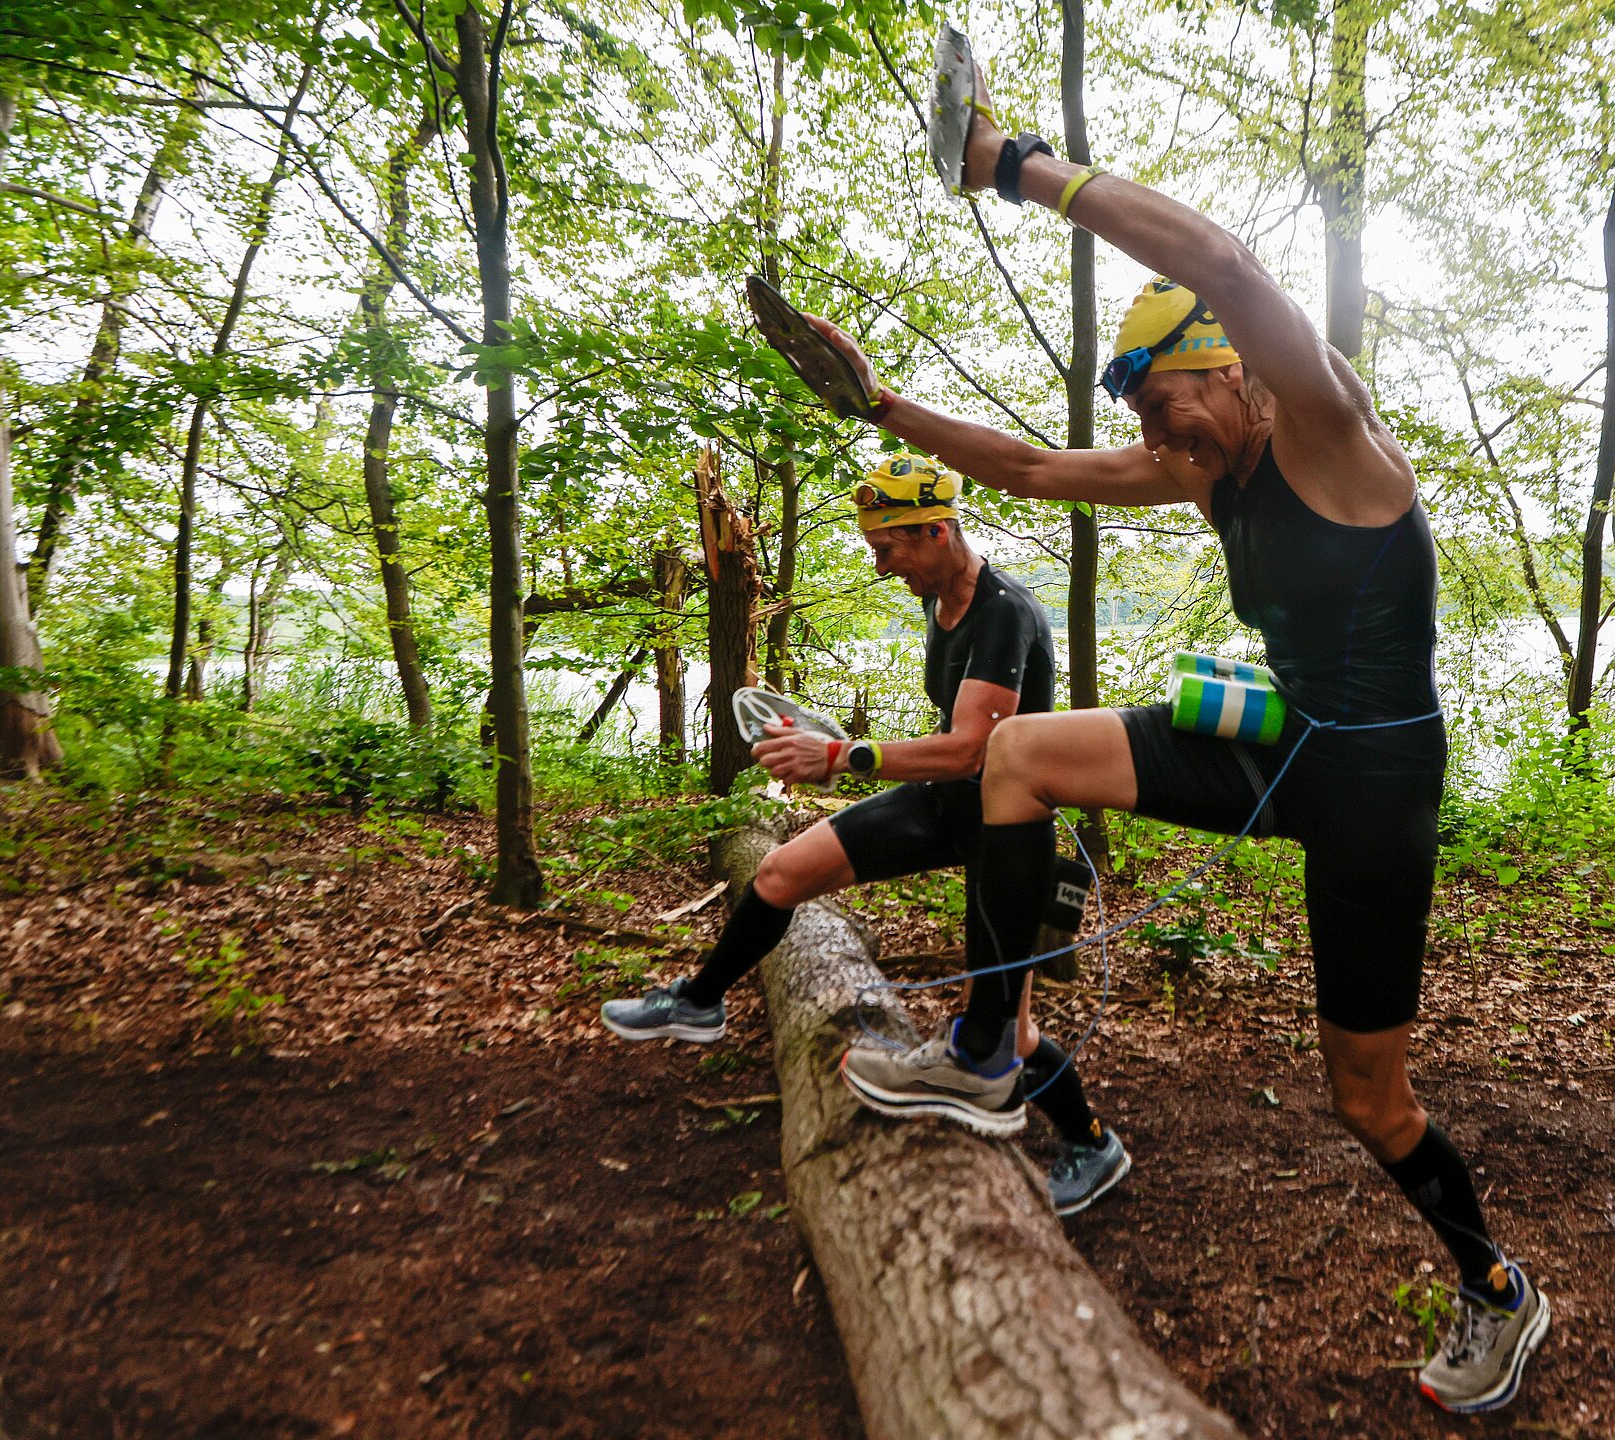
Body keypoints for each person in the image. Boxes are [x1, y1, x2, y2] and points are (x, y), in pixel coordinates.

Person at [807, 65, 1549, 1416]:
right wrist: (883, 415)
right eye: (1146, 422)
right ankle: (985, 1050)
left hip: (1378, 781)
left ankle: (1496, 1289)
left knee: (1367, 1099)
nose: (1160, 441)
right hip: (1281, 745)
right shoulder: (1208, 467)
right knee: (1017, 756)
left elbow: (1217, 254)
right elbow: (1033, 473)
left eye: (1170, 407)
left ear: (1235, 371)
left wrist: (1011, 162)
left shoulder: (1329, 430)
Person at [601, 454, 1131, 1216]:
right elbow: (950, 751)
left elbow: (975, 747)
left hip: (1005, 834)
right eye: (875, 551)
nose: (883, 567)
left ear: (940, 532)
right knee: (781, 872)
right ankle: (699, 1001)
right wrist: (821, 742)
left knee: (1010, 1036)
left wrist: (845, 755)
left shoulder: (1005, 611)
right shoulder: (935, 599)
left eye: (891, 549)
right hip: (942, 805)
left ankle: (1091, 1142)